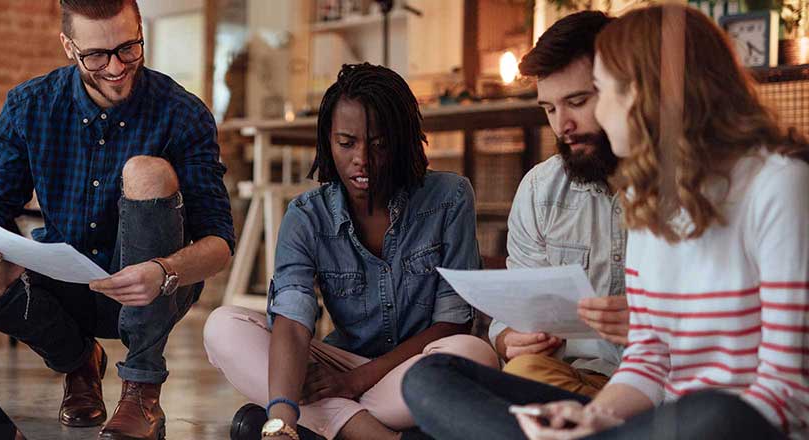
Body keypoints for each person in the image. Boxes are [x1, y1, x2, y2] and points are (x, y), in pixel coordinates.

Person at [403, 5, 808, 439]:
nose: (563, 126)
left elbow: (786, 389)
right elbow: (649, 361)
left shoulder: (780, 184)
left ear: (654, 95)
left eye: (598, 93)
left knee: (716, 412)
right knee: (431, 377)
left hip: (733, 423)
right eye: (551, 108)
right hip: (652, 421)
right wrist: (590, 419)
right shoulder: (645, 196)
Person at [0, 1, 235, 439]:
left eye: (129, 48)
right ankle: (79, 362)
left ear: (140, 31)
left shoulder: (184, 112)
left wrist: (166, 270)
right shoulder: (30, 105)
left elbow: (220, 242)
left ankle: (142, 389)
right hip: (67, 281)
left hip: (156, 284)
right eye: (97, 55)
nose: (117, 67)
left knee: (146, 170)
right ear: (69, 46)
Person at [203, 63, 499, 440]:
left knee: (474, 355)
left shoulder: (450, 197)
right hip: (338, 365)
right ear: (327, 141)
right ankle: (374, 433)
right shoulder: (306, 216)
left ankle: (324, 424)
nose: (362, 158)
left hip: (412, 370)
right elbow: (292, 323)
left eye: (379, 144)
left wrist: (354, 383)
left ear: (403, 139)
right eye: (346, 143)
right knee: (223, 327)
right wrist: (280, 423)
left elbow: (453, 322)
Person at [494, 10, 626, 397]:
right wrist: (510, 339)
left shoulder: (681, 184)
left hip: (668, 381)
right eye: (549, 109)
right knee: (440, 375)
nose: (561, 125)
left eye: (577, 101)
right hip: (576, 380)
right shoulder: (539, 189)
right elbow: (515, 314)